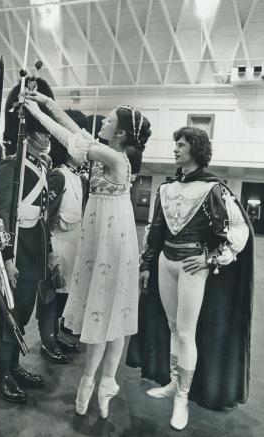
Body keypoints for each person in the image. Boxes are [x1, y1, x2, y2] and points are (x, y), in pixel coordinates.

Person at [24, 93, 151, 419]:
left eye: (108, 121)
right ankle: (92, 380)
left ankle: (103, 381)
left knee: (114, 314)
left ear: (120, 134)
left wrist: (37, 112)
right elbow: (75, 130)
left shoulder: (115, 159)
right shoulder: (107, 151)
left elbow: (69, 136)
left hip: (114, 241)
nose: (102, 123)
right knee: (102, 312)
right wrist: (47, 103)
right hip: (101, 237)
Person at [126, 127, 254, 431]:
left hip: (192, 268)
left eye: (180, 145)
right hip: (165, 262)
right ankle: (173, 382)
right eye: (175, 145)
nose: (175, 149)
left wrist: (210, 258)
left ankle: (182, 396)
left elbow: (240, 231)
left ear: (195, 149)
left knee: (185, 332)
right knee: (172, 328)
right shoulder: (166, 188)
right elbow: (156, 229)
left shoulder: (213, 189)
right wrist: (146, 265)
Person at [0, 78, 64, 403]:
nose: (45, 136)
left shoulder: (40, 164)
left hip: (34, 248)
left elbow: (45, 214)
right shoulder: (11, 166)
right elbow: (2, 215)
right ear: (28, 131)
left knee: (24, 312)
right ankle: (0, 373)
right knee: (12, 313)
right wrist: (6, 257)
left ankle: (14, 365)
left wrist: (48, 251)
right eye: (39, 129)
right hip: (17, 250)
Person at [40, 109, 89, 359]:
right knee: (50, 300)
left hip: (73, 249)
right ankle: (48, 343)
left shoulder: (78, 178)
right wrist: (51, 257)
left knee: (61, 300)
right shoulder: (58, 177)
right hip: (58, 249)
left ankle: (56, 335)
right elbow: (45, 220)